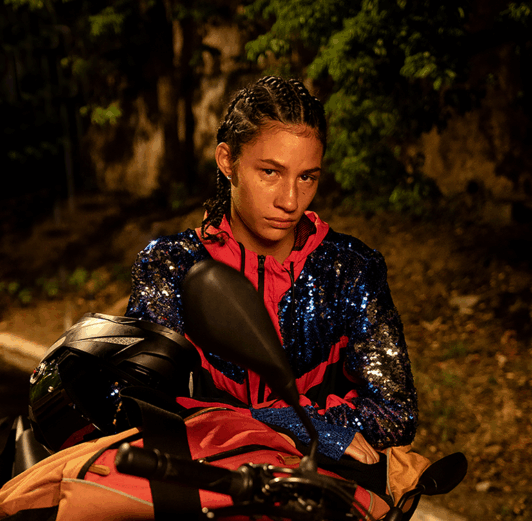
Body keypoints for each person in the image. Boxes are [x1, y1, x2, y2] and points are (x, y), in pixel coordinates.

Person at [126, 76, 417, 476]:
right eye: (270, 172)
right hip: (201, 490)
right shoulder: (172, 265)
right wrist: (284, 422)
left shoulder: (350, 269)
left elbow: (395, 411)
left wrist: (302, 425)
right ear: (227, 161)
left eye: (307, 177)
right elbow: (144, 403)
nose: (289, 201)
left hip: (317, 501)